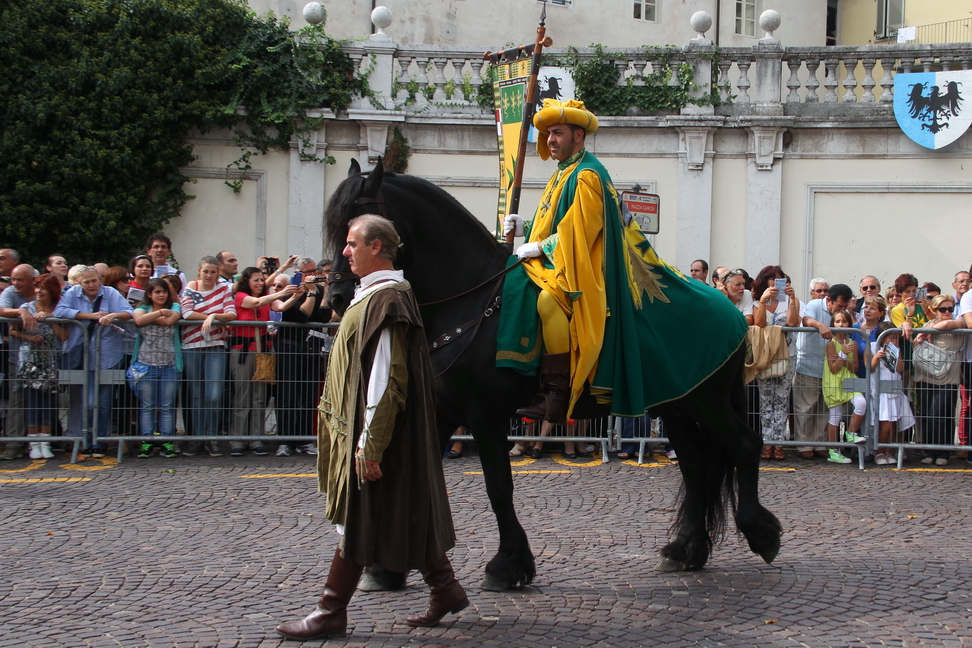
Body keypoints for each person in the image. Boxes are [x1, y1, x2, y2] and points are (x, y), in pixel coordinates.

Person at [275, 214, 465, 641]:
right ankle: (446, 589)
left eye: (351, 243)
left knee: (358, 519)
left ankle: (330, 610)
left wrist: (370, 445)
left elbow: (386, 377)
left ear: (376, 247)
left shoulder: (387, 301)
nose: (345, 251)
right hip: (370, 431)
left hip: (377, 434)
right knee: (402, 509)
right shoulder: (374, 296)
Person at [499, 98, 747, 424]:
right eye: (547, 135)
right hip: (562, 261)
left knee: (547, 301)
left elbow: (582, 230)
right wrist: (525, 228)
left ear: (578, 136)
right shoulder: (563, 174)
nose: (551, 141)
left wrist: (541, 247)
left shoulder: (587, 174)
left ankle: (555, 393)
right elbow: (555, 220)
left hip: (588, 266)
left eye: (557, 133)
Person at [55, 266, 134, 456]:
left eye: (94, 281)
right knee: (88, 402)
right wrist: (87, 316)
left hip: (108, 355)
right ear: (79, 282)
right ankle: (86, 438)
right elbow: (59, 311)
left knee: (105, 401)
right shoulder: (73, 294)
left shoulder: (111, 293)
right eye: (87, 282)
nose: (91, 285)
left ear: (99, 279)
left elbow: (129, 312)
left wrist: (113, 315)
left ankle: (100, 440)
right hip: (82, 354)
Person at [229, 267, 297, 456]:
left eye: (261, 280)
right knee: (242, 396)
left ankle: (256, 439)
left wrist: (296, 296)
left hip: (263, 352)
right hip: (243, 352)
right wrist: (282, 292)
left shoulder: (268, 298)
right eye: (256, 280)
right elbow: (257, 302)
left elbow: (281, 307)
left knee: (259, 397)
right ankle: (237, 440)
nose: (260, 283)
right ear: (247, 282)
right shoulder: (241, 296)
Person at [273, 259, 331, 457]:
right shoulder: (290, 291)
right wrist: (311, 292)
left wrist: (321, 290)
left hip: (311, 349)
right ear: (299, 273)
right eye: (307, 272)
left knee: (308, 396)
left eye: (314, 271)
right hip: (289, 348)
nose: (312, 275)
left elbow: (324, 317)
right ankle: (285, 441)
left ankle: (305, 439)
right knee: (288, 395)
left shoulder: (319, 290)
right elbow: (301, 316)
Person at [180, 256, 236, 457]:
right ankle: (197, 439)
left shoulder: (223, 290)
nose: (209, 275)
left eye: (213, 272)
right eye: (206, 272)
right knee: (196, 395)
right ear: (199, 271)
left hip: (216, 345)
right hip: (191, 345)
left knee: (214, 394)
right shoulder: (191, 287)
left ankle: (213, 438)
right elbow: (186, 313)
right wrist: (213, 317)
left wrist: (213, 317)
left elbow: (231, 314)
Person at [9, 273, 68, 459]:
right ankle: (33, 443)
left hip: (51, 361)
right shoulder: (26, 307)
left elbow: (64, 336)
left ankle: (46, 441)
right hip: (30, 361)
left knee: (48, 403)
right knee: (32, 402)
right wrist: (30, 337)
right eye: (37, 287)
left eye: (43, 288)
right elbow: (13, 330)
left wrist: (52, 319)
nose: (39, 291)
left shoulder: (59, 309)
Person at [793, 283, 853, 459]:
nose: (841, 310)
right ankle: (804, 444)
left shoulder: (842, 315)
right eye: (839, 306)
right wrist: (820, 325)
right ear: (829, 300)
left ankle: (820, 443)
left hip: (830, 370)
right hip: (808, 366)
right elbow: (806, 320)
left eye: (845, 307)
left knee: (824, 408)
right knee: (806, 407)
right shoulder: (814, 305)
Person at [752, 266, 802, 461]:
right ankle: (767, 442)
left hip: (787, 355)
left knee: (781, 399)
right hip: (766, 357)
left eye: (779, 278)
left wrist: (792, 300)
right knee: (766, 400)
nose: (775, 282)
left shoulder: (790, 301)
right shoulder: (756, 301)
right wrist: (764, 301)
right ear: (764, 281)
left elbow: (792, 323)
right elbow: (760, 323)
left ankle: (778, 443)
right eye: (771, 278)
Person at [131, 278, 183, 458]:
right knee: (147, 406)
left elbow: (171, 321)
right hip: (145, 364)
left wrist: (151, 318)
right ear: (149, 294)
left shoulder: (175, 306)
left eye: (164, 292)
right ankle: (147, 441)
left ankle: (167, 441)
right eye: (157, 292)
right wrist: (160, 312)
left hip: (169, 364)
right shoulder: (142, 307)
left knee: (167, 406)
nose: (161, 295)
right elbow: (138, 320)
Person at [912, 294, 965, 466]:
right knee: (928, 414)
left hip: (948, 378)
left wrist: (931, 330)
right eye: (943, 309)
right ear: (935, 310)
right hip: (926, 376)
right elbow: (914, 343)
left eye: (950, 308)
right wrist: (920, 335)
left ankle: (943, 451)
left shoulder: (958, 325)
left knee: (941, 414)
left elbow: (949, 323)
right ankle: (930, 450)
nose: (947, 312)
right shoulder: (927, 325)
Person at [0, 264, 39, 460]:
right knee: (17, 400)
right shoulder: (10, 292)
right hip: (18, 357)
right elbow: (1, 308)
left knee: (43, 400)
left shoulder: (43, 290)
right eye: (13, 279)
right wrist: (20, 312)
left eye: (20, 280)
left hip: (44, 358)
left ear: (33, 280)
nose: (15, 283)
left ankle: (41, 442)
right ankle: (13, 445)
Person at [821, 310, 866, 464]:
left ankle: (851, 432)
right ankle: (833, 451)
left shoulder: (852, 343)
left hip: (849, 380)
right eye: (838, 321)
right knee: (835, 416)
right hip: (834, 382)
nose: (841, 324)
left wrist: (844, 358)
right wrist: (843, 355)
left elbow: (854, 367)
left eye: (844, 321)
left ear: (849, 324)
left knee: (861, 402)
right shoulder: (831, 344)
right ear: (833, 324)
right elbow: (833, 368)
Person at [869, 322, 915, 465]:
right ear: (883, 338)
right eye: (891, 338)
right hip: (881, 392)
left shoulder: (897, 350)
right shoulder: (873, 347)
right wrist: (877, 358)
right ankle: (879, 451)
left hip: (894, 390)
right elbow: (869, 368)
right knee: (885, 424)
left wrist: (896, 355)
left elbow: (900, 368)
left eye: (896, 338)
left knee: (894, 423)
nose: (894, 341)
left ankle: (889, 451)